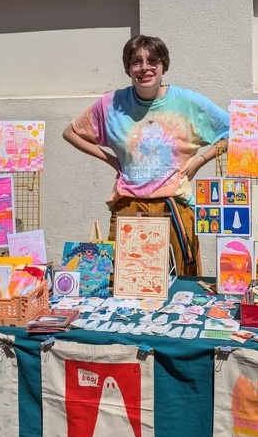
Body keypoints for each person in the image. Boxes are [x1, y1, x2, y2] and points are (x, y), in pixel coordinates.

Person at [63, 34, 229, 276]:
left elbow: (236, 132)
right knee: (129, 280)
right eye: (136, 62)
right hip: (130, 206)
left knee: (181, 282)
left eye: (153, 60)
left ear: (164, 65)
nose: (145, 68)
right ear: (128, 68)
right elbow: (71, 133)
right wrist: (111, 159)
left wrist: (200, 161)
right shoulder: (112, 104)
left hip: (175, 206)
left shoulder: (188, 103)